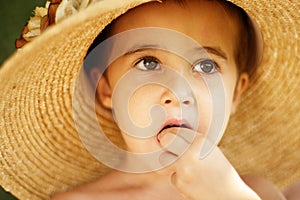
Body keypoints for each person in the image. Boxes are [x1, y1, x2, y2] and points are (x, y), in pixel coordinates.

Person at [0, 0, 299, 199]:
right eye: (148, 63)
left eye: (205, 66)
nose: (177, 93)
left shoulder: (255, 192)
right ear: (105, 89)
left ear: (235, 95)